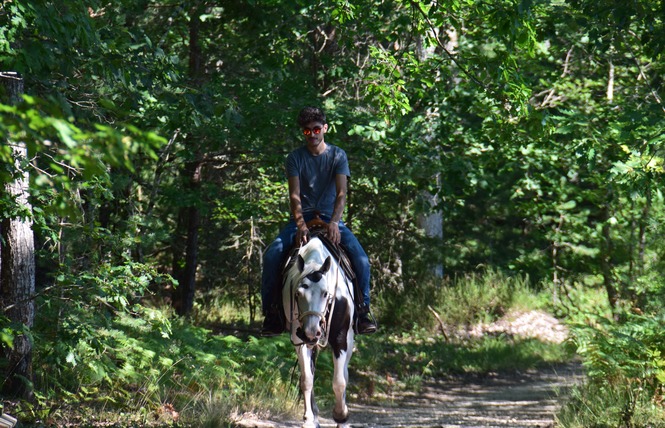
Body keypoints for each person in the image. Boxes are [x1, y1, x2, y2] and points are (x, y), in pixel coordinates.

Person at [261, 106, 377, 336]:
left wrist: (335, 222)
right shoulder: (295, 158)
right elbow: (294, 195)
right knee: (272, 254)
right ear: (303, 133)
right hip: (301, 220)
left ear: (324, 128)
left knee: (362, 260)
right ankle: (272, 313)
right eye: (307, 131)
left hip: (330, 219)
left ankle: (363, 311)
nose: (312, 135)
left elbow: (342, 193)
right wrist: (301, 224)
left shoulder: (337, 155)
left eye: (316, 129)